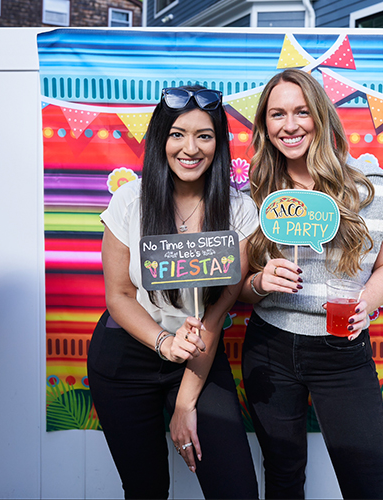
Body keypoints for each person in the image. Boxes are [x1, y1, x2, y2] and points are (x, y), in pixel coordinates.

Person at [87, 85, 259, 499]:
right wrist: (164, 343)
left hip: (200, 354)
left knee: (236, 490)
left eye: (204, 136)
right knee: (145, 489)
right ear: (161, 139)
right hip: (126, 356)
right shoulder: (130, 201)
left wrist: (185, 405)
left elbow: (219, 309)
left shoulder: (239, 210)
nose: (191, 148)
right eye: (178, 134)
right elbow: (119, 297)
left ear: (218, 145)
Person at [239, 69, 383, 499]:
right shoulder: (252, 195)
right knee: (283, 476)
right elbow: (234, 290)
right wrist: (259, 281)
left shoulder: (372, 189)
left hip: (341, 349)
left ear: (322, 116)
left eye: (301, 112)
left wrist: (366, 303)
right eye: (277, 114)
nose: (289, 125)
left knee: (369, 483)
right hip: (269, 348)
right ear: (264, 125)